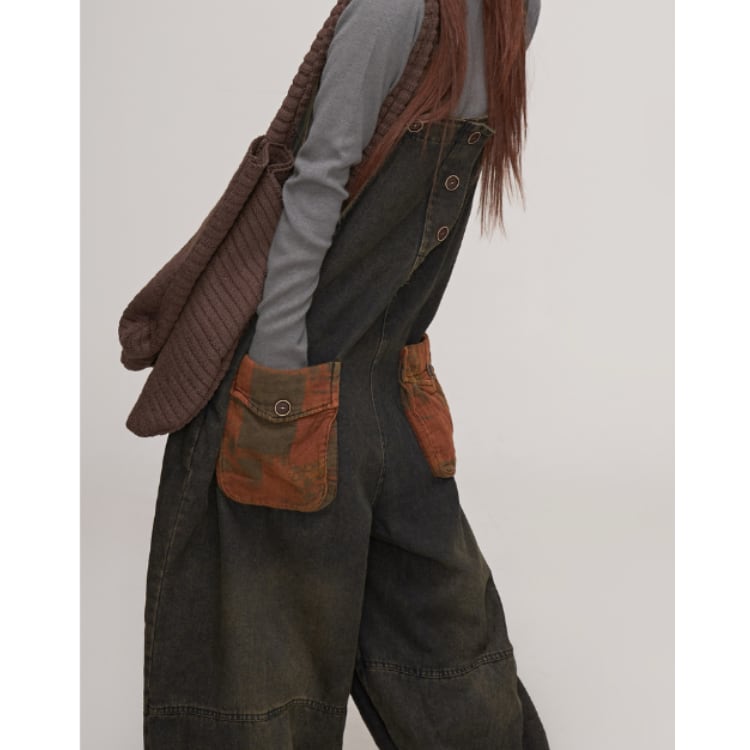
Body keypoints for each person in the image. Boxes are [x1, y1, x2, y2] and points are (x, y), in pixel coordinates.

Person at [142, 1, 549, 748]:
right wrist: (279, 390)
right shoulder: (395, 11)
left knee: (449, 652)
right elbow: (316, 182)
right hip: (282, 381)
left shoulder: (517, 16)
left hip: (381, 381)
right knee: (262, 689)